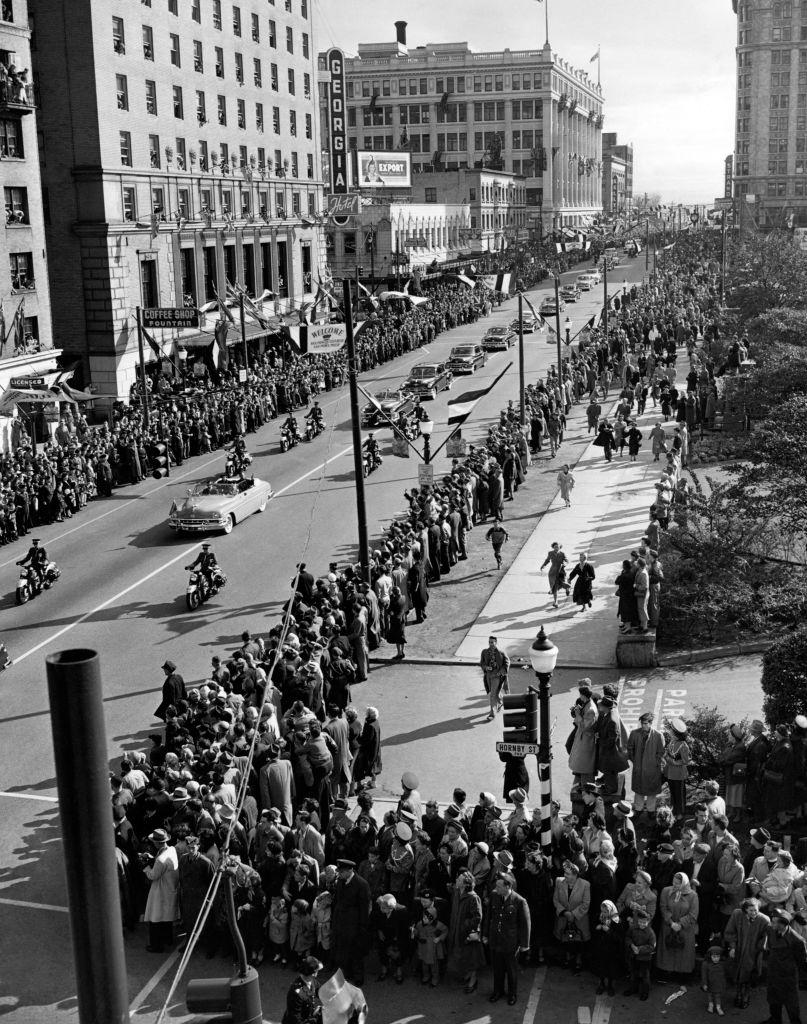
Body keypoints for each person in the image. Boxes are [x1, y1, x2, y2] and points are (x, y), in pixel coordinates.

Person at [484, 873, 531, 1006]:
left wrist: (524, 944)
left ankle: (512, 994)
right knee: (497, 969)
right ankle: (497, 991)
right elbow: (488, 917)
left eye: (499, 886)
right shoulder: (494, 896)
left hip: (510, 943)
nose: (496, 888)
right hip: (496, 940)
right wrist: (486, 934)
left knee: (511, 970)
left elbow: (525, 924)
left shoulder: (519, 901)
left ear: (508, 886)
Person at [330, 858, 371, 985]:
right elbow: (337, 901)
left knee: (355, 951)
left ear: (350, 870)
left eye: (341, 872)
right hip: (341, 922)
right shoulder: (341, 881)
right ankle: (345, 974)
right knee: (342, 950)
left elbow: (364, 908)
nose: (339, 874)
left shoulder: (361, 884)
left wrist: (363, 927)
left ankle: (358, 977)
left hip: (354, 924)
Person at [766, 909, 807, 1024]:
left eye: (774, 922)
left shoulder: (797, 941)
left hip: (787, 977)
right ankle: (775, 1020)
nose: (771, 924)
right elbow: (770, 946)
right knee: (773, 1000)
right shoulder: (770, 930)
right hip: (773, 973)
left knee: (791, 1004)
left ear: (783, 924)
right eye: (772, 921)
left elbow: (801, 962)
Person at [141, 828, 179, 953]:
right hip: (170, 887)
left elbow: (153, 875)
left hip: (160, 890)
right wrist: (152, 859)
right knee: (166, 917)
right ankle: (168, 939)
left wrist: (145, 866)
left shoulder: (160, 860)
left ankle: (156, 946)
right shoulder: (171, 849)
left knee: (155, 918)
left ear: (157, 843)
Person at [656, 871, 699, 977]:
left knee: (683, 952)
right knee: (668, 950)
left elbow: (693, 914)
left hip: (685, 929)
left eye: (677, 883)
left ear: (684, 883)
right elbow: (663, 907)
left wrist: (680, 924)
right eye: (673, 882)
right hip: (668, 926)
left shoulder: (693, 895)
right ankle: (666, 972)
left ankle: (682, 974)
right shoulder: (666, 891)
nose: (674, 885)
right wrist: (671, 923)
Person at [626, 712, 666, 816]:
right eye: (642, 723)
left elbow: (661, 752)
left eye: (645, 723)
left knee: (651, 792)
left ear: (651, 723)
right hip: (639, 768)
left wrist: (654, 763)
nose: (643, 725)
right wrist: (635, 761)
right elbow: (630, 748)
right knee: (638, 791)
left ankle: (650, 811)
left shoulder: (658, 735)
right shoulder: (634, 733)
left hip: (652, 769)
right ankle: (638, 809)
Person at [624, 907, 656, 1001]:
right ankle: (633, 989)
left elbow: (652, 946)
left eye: (644, 922)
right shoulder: (633, 928)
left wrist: (640, 949)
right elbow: (627, 937)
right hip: (634, 956)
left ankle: (645, 993)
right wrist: (631, 945)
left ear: (648, 922)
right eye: (640, 922)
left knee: (645, 976)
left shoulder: (651, 933)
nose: (642, 924)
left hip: (645, 958)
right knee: (633, 973)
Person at [281, 954, 322, 1024]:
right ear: (313, 974)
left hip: (307, 1016)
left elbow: (322, 991)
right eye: (317, 971)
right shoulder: (296, 993)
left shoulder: (312, 981)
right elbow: (296, 1019)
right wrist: (315, 1015)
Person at [664, 718, 691, 821]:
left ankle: (680, 812)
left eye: (671, 730)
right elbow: (667, 753)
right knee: (673, 794)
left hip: (679, 775)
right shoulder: (672, 742)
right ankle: (674, 810)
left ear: (675, 734)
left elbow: (686, 761)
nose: (669, 732)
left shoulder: (683, 746)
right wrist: (668, 758)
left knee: (679, 795)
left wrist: (673, 762)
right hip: (671, 773)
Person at [480, 636, 510, 720]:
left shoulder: (501, 653)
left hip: (497, 676)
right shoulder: (484, 652)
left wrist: (501, 672)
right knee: (494, 692)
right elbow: (482, 663)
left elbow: (507, 663)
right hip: (488, 676)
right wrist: (486, 667)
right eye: (490, 642)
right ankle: (500, 702)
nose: (491, 644)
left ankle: (492, 714)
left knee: (492, 694)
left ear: (496, 643)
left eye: (492, 642)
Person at [540, 541, 570, 609]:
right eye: (555, 547)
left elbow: (567, 560)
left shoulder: (562, 554)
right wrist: (543, 565)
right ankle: (556, 602)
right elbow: (547, 560)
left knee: (564, 583)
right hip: (553, 572)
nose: (556, 548)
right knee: (554, 587)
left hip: (561, 571)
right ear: (553, 547)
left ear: (560, 547)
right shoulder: (550, 553)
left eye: (558, 547)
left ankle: (567, 589)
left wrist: (565, 563)